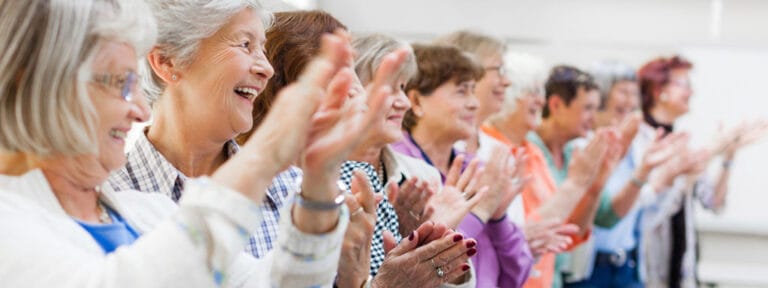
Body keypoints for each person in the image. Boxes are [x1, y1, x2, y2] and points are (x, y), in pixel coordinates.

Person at [0, 0, 386, 286]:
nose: (139, 109)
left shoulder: (143, 210)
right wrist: (264, 155)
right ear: (37, 85)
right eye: (120, 84)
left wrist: (318, 184)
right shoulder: (10, 222)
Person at [237, 11, 478, 287]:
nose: (402, 102)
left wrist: (427, 243)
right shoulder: (248, 180)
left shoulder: (358, 178)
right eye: (388, 86)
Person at [107, 0, 295, 259]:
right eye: (245, 44)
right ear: (166, 61)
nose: (267, 69)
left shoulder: (293, 190)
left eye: (262, 48)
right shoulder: (107, 199)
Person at [392, 43, 534, 288]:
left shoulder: (474, 168)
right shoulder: (397, 167)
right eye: (461, 91)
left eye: (473, 90)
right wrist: (479, 214)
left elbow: (517, 275)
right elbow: (414, 267)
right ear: (416, 100)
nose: (474, 104)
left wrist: (498, 218)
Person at [479, 55, 618, 288]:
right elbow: (518, 236)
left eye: (539, 92)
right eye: (530, 92)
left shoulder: (532, 151)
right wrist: (578, 183)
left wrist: (593, 186)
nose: (540, 101)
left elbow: (562, 235)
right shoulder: (488, 152)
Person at [635, 56, 768, 287]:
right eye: (683, 84)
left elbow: (713, 202)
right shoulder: (639, 142)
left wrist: (729, 156)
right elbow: (651, 207)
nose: (690, 93)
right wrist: (716, 147)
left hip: (682, 266)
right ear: (659, 91)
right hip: (646, 267)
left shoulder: (682, 142)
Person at [564, 61, 687, 287]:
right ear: (599, 97)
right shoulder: (583, 147)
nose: (630, 100)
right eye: (623, 91)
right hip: (590, 270)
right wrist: (653, 182)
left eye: (634, 93)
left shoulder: (637, 148)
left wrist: (665, 180)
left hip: (627, 266)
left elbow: (645, 212)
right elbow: (603, 214)